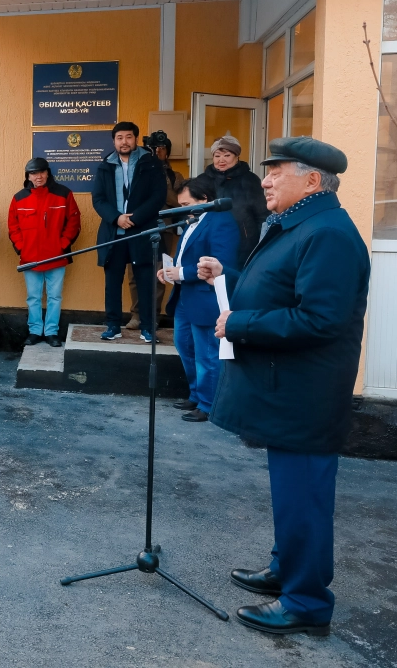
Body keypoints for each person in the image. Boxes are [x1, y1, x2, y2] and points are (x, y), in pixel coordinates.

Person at [198, 138, 368, 636]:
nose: (265, 180)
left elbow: (319, 319)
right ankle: (287, 570)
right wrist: (226, 275)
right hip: (288, 390)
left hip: (305, 396)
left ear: (312, 180)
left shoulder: (328, 233)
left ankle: (307, 602)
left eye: (276, 173)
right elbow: (280, 284)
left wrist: (241, 323)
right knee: (292, 495)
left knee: (304, 498)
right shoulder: (304, 224)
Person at [157, 175, 239, 424]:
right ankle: (195, 394)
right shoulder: (194, 220)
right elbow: (187, 257)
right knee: (186, 348)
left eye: (186, 204)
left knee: (207, 355)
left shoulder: (221, 221)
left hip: (206, 299)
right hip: (185, 296)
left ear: (204, 199)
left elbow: (220, 265)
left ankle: (208, 404)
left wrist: (181, 273)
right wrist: (171, 270)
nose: (182, 210)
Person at [91, 121, 167, 344]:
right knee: (112, 282)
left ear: (135, 139)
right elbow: (98, 199)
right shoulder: (105, 165)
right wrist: (117, 218)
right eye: (120, 138)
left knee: (145, 281)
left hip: (141, 231)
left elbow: (158, 196)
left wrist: (135, 218)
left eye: (129, 137)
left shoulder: (150, 163)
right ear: (114, 141)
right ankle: (113, 326)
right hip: (114, 233)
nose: (124, 142)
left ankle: (147, 327)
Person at [8, 157, 81, 347]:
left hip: (57, 256)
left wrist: (63, 245)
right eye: (33, 173)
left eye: (41, 172)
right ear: (28, 176)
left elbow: (74, 222)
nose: (38, 177)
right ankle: (34, 331)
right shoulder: (19, 198)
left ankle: (51, 332)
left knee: (55, 296)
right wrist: (21, 248)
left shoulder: (64, 194)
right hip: (30, 257)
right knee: (33, 297)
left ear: (48, 173)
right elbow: (13, 226)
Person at [124, 131, 185, 330]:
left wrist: (160, 177)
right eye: (153, 148)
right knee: (134, 274)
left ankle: (152, 315)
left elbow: (177, 202)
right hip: (138, 228)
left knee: (158, 274)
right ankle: (136, 314)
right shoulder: (136, 169)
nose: (157, 151)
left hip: (163, 229)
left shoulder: (173, 175)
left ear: (167, 152)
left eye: (162, 148)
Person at [201, 134, 269, 263]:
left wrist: (262, 243)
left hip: (243, 242)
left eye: (227, 155)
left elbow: (262, 214)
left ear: (237, 156)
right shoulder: (203, 180)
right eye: (217, 156)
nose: (221, 160)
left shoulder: (250, 180)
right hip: (209, 239)